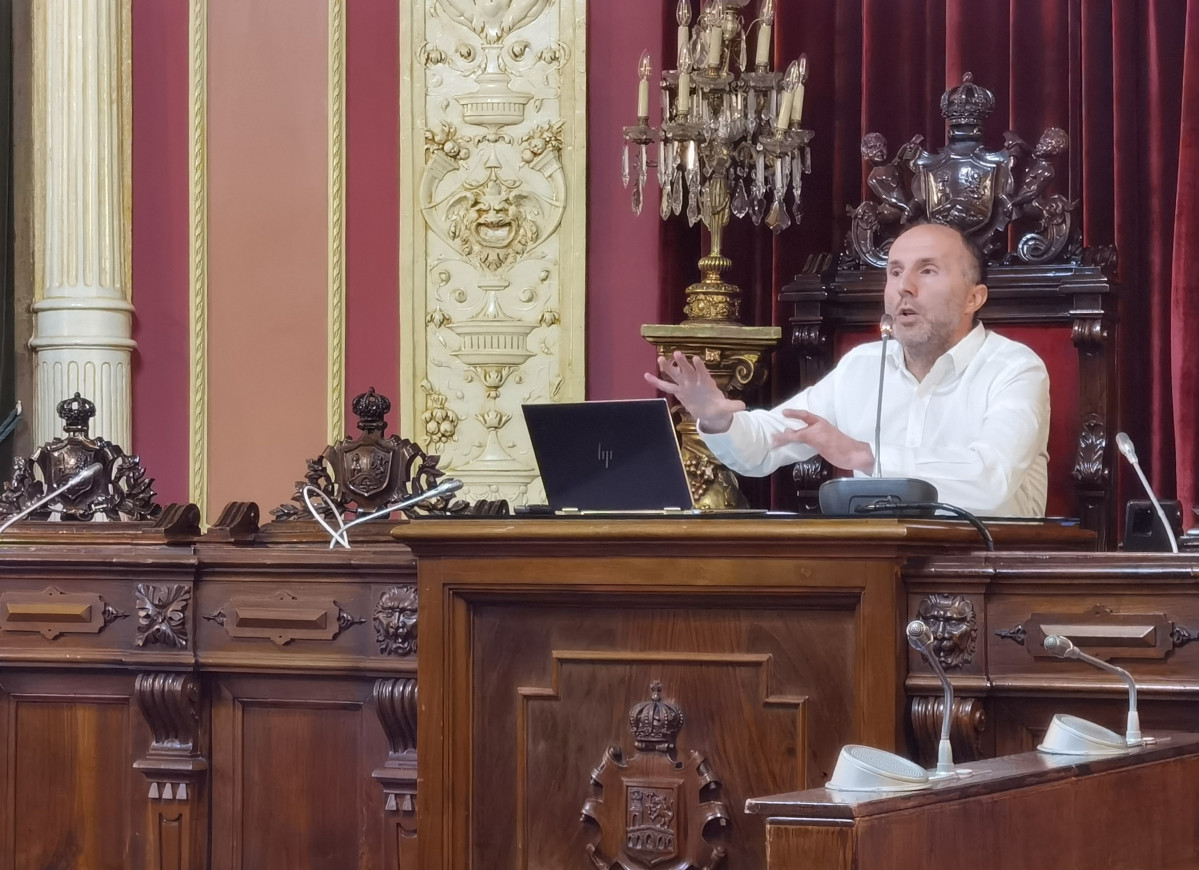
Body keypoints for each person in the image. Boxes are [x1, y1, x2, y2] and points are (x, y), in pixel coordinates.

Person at [644, 222, 1051, 516]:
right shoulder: (863, 366)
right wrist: (718, 422)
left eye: (927, 271)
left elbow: (992, 482)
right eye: (894, 272)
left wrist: (864, 455)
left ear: (972, 298)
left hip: (988, 568)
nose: (903, 287)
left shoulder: (1014, 368)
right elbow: (768, 443)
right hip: (874, 566)